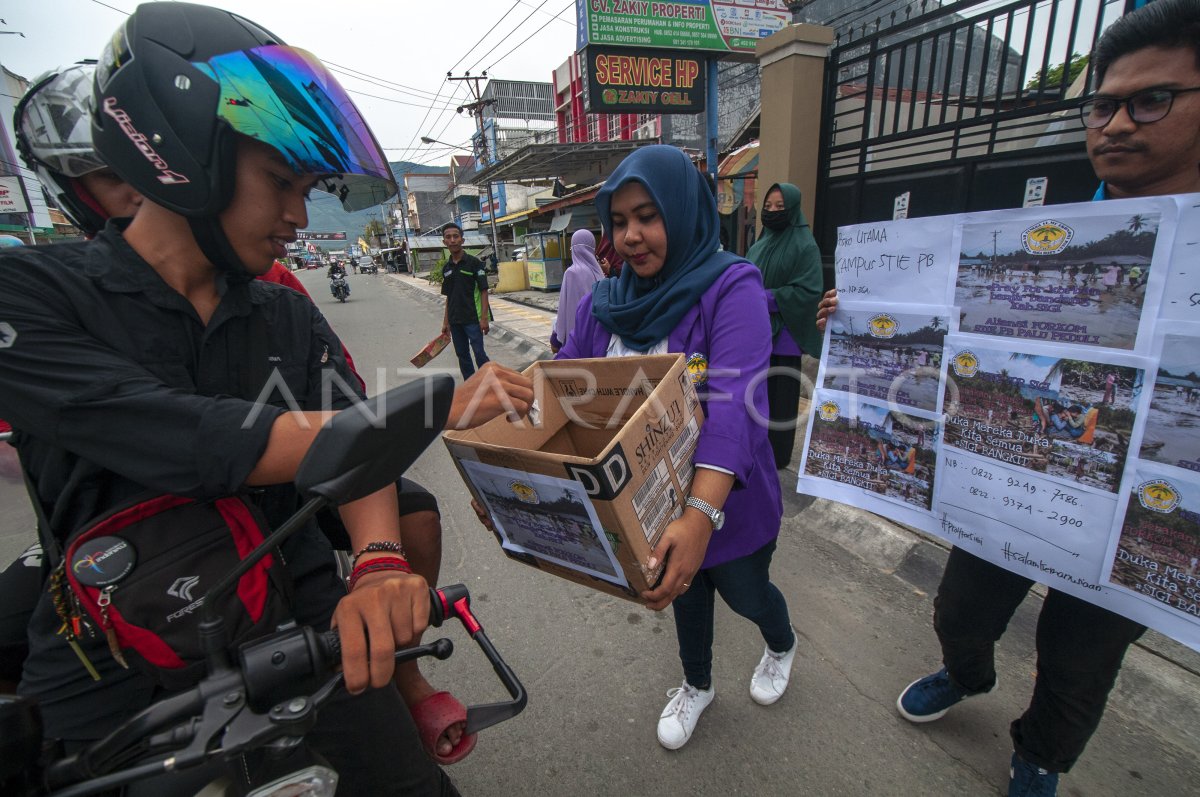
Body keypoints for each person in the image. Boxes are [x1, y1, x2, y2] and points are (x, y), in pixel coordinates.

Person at [0, 4, 533, 793]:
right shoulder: (35, 292)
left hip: (300, 620)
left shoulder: (284, 309)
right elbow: (179, 434)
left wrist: (380, 561)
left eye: (308, 188)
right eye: (280, 182)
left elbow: (363, 451)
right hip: (109, 650)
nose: (295, 215)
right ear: (182, 151)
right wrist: (426, 409)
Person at [816, 3, 1200, 794]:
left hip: (1130, 520)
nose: (1117, 123)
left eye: (1150, 100)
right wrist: (851, 313)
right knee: (960, 608)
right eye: (1102, 104)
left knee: (1078, 658)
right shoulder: (1048, 222)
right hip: (1004, 493)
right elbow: (945, 329)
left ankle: (1041, 753)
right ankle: (967, 673)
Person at [549, 145, 796, 750]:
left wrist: (701, 514)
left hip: (727, 503)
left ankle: (781, 641)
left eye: (647, 216)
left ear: (683, 212)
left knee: (744, 592)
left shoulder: (732, 285)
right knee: (682, 595)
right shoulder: (603, 302)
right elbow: (563, 381)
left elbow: (735, 406)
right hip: (649, 504)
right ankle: (698, 684)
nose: (631, 236)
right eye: (619, 221)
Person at [744, 183, 824, 469]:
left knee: (782, 398)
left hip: (785, 336)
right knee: (755, 393)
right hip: (757, 333)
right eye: (768, 206)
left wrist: (766, 297)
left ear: (792, 209)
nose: (773, 211)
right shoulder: (760, 244)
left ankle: (777, 457)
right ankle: (754, 446)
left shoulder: (805, 245)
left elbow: (808, 291)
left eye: (780, 207)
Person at [440, 222, 491, 379]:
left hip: (473, 319)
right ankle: (471, 385)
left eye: (456, 236)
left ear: (462, 240)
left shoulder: (474, 264)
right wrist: (445, 322)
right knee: (462, 356)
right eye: (448, 237)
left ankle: (491, 381)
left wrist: (484, 318)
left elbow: (484, 291)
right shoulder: (446, 268)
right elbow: (449, 296)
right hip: (455, 321)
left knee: (479, 353)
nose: (453, 240)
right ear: (444, 242)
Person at [550, 229, 605, 353]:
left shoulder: (571, 273)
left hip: (577, 339)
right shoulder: (599, 272)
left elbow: (564, 309)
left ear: (573, 249)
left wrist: (555, 338)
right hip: (598, 338)